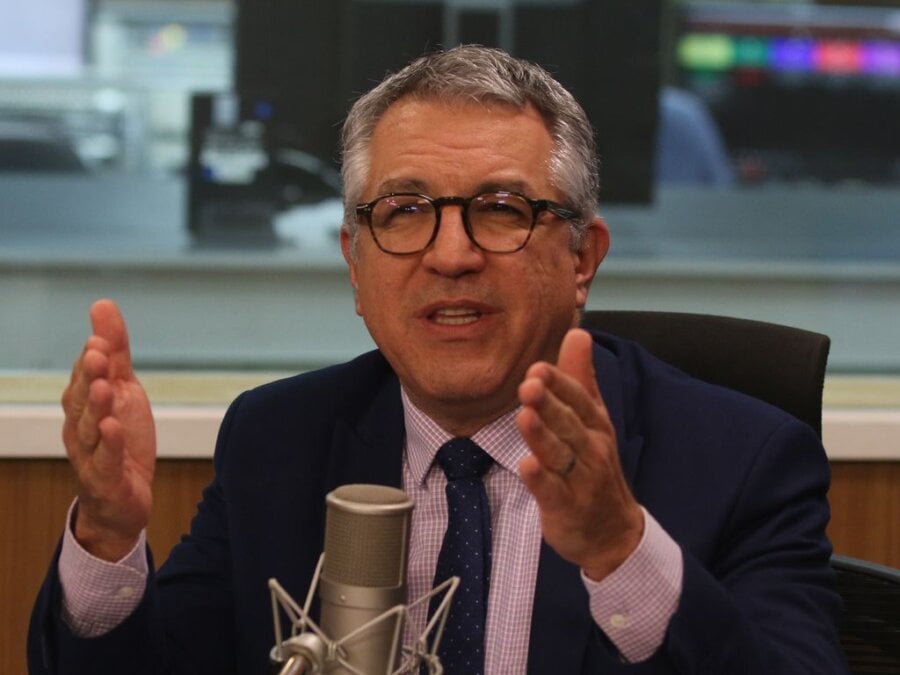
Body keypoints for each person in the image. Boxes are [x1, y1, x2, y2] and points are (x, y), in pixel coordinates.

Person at [28, 45, 846, 674]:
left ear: (582, 257)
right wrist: (105, 532)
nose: (450, 254)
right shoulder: (278, 439)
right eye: (406, 209)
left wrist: (618, 546)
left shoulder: (744, 458)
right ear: (356, 262)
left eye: (500, 209)